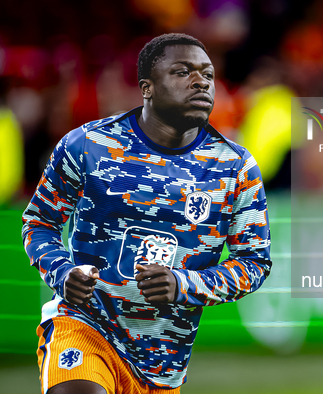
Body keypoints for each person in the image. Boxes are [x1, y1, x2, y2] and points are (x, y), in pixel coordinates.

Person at [22, 33, 272, 394]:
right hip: (85, 326)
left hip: (163, 363)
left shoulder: (235, 167)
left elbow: (255, 263)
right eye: (183, 71)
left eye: (208, 74)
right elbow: (40, 222)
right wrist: (62, 271)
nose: (200, 81)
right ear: (147, 87)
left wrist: (184, 284)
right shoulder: (88, 145)